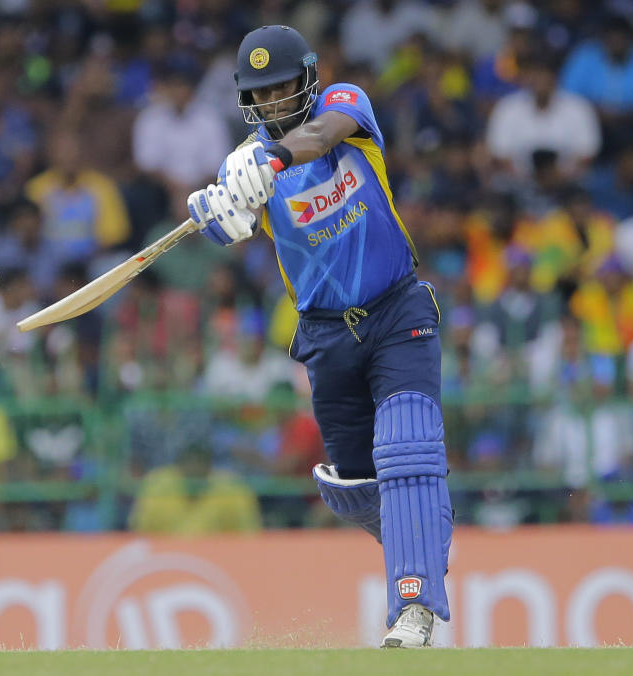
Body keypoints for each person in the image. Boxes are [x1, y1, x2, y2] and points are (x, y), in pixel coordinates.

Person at [185, 25, 451, 648]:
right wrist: (217, 211)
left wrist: (274, 158)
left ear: (306, 78)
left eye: (283, 87)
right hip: (326, 337)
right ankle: (423, 528)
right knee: (356, 485)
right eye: (262, 94)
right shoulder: (242, 167)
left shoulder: (343, 106)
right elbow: (234, 229)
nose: (275, 102)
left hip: (397, 312)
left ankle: (413, 607)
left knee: (409, 446)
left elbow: (321, 134)